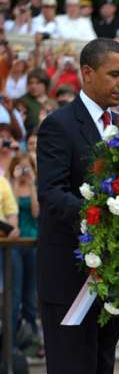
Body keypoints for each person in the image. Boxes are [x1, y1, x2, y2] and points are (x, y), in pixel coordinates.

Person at [36, 37, 119, 374]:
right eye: (115, 74)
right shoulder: (59, 127)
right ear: (87, 74)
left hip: (109, 277)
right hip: (69, 277)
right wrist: (101, 214)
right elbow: (51, 195)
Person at [8, 153, 41, 356]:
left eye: (26, 166)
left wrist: (31, 184)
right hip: (13, 245)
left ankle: (33, 341)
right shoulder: (8, 187)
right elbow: (10, 209)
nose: (24, 170)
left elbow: (37, 213)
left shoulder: (33, 186)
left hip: (32, 244)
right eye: (20, 167)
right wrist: (14, 179)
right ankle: (11, 344)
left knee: (30, 296)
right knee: (14, 296)